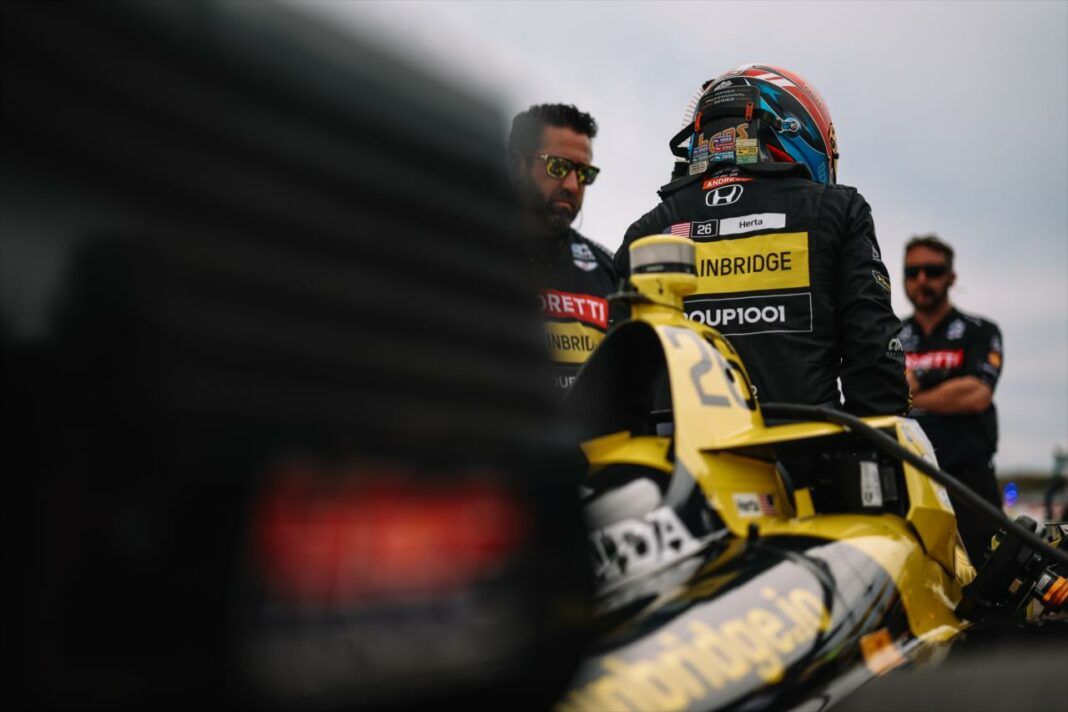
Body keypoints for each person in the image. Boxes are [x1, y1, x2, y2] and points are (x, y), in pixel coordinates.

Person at [615, 64, 908, 416]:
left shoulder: (646, 230)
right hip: (801, 446)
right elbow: (875, 356)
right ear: (795, 125)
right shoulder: (837, 210)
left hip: (674, 447)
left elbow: (618, 376)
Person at [898, 234, 1005, 560]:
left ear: (951, 277)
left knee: (987, 577)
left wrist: (911, 393)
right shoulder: (890, 336)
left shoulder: (980, 330)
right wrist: (943, 389)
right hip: (906, 481)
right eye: (912, 272)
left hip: (969, 483)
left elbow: (975, 395)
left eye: (932, 271)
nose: (922, 280)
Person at [509, 104, 617, 393]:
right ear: (518, 164)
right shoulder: (466, 253)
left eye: (584, 173)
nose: (572, 185)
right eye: (557, 167)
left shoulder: (609, 271)